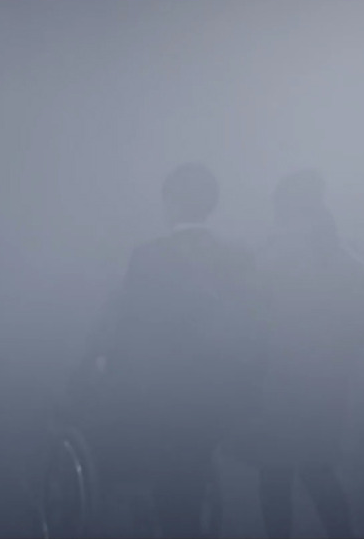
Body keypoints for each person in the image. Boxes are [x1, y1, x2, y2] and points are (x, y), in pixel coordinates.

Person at [87, 163, 263, 537]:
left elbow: (132, 328)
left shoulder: (148, 256)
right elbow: (252, 322)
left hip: (164, 394)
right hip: (221, 392)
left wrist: (108, 368)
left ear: (170, 202)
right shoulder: (238, 256)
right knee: (189, 472)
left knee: (172, 481)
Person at [239, 171, 364, 538]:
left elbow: (249, 326)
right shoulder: (348, 262)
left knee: (274, 478)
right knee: (318, 472)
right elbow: (363, 332)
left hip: (277, 389)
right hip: (327, 390)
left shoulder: (269, 262)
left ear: (286, 213)